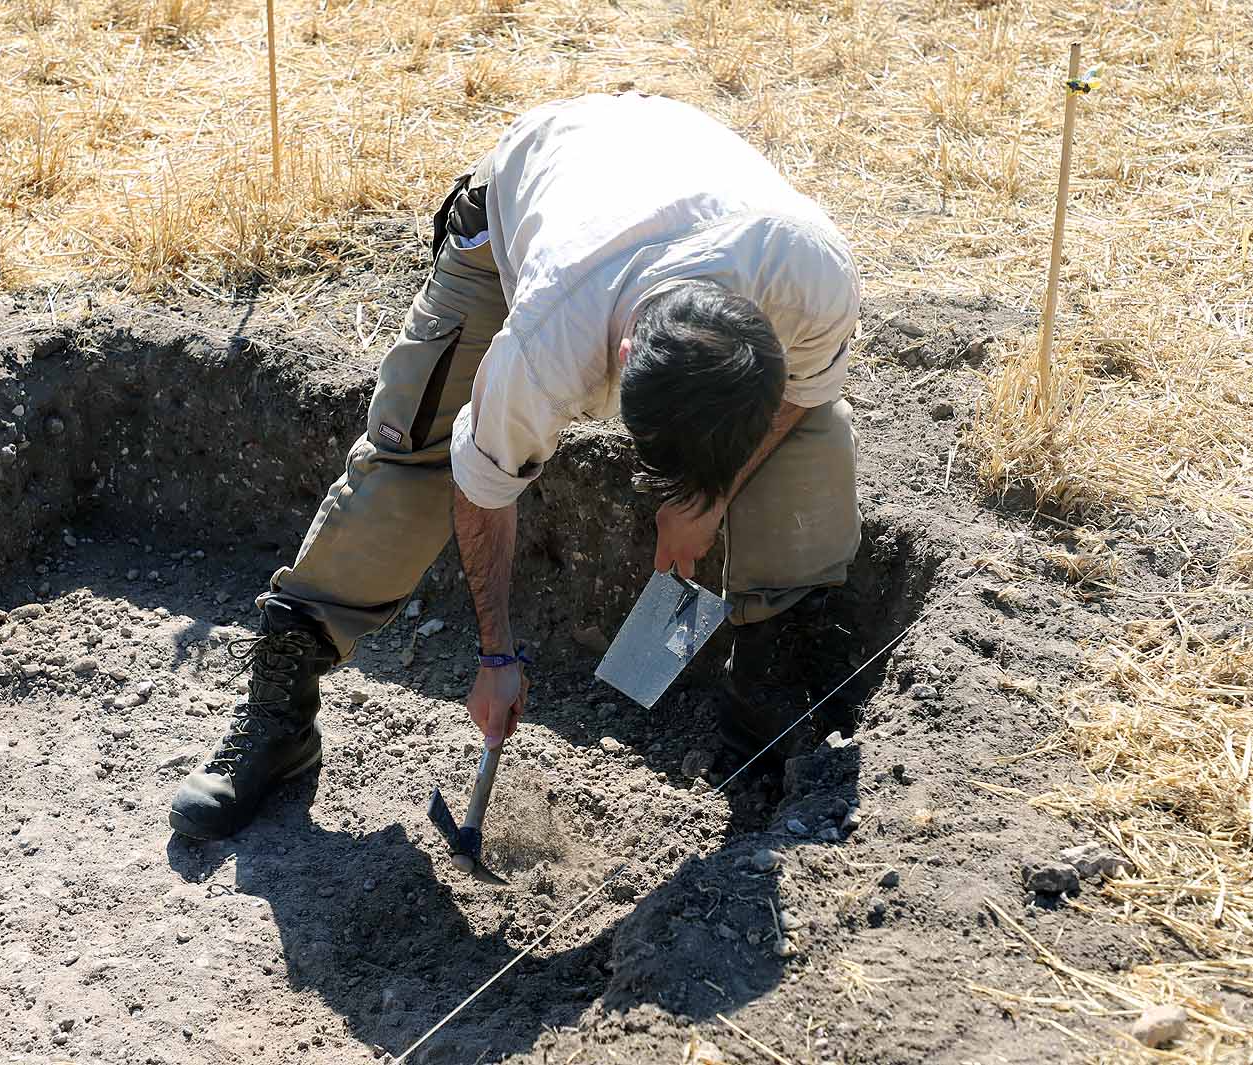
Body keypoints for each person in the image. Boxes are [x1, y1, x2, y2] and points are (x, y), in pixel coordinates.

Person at [170, 92, 861, 841]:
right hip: (524, 204)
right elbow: (481, 484)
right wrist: (495, 651)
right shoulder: (545, 338)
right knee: (419, 454)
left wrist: (711, 497)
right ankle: (281, 706)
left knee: (809, 443)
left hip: (674, 174)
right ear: (622, 361)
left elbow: (801, 393)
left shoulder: (812, 276)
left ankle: (767, 713)